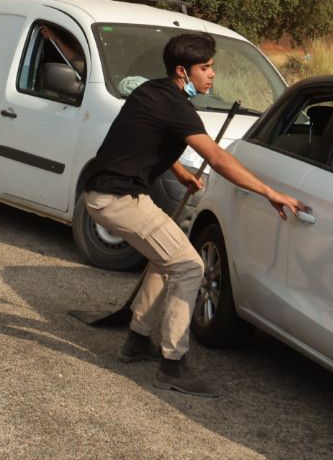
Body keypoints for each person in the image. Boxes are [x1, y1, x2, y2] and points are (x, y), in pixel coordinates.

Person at [80, 31, 306, 398]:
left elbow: (145, 138)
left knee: (167, 256)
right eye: (206, 68)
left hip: (106, 192)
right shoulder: (176, 106)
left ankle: (137, 340)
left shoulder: (152, 92)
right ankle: (173, 364)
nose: (212, 75)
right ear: (183, 72)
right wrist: (268, 192)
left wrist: (182, 172)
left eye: (212, 67)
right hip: (117, 198)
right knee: (189, 265)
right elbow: (217, 158)